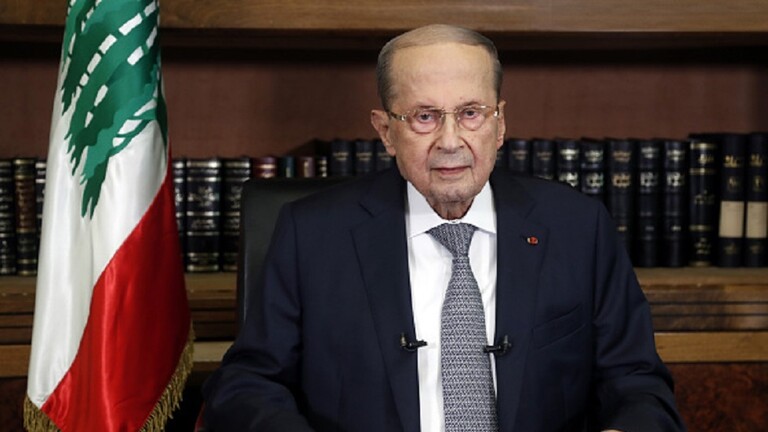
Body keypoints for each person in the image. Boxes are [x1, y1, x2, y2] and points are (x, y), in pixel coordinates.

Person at [202, 24, 685, 431]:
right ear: (386, 131)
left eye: (471, 113)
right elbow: (248, 383)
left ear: (499, 124)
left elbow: (638, 382)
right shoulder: (312, 234)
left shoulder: (577, 227)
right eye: (424, 117)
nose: (450, 141)